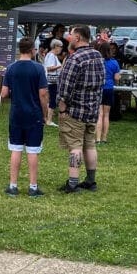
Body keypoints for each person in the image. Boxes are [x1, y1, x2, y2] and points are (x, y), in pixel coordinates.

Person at [55, 24, 105, 193]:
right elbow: (101, 83)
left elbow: (65, 88)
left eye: (70, 35)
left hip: (75, 111)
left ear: (77, 38)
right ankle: (91, 181)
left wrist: (62, 109)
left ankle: (72, 183)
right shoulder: (98, 55)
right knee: (90, 145)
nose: (68, 37)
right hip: (92, 110)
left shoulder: (74, 58)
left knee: (75, 147)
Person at [2, 37, 49, 197]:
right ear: (32, 50)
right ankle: (33, 187)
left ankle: (13, 185)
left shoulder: (11, 68)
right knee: (33, 150)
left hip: (16, 114)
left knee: (15, 149)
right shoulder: (38, 69)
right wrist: (45, 113)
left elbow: (4, 93)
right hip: (34, 113)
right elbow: (43, 94)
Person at [96, 42, 121, 144]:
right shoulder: (114, 62)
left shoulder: (97, 62)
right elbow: (116, 78)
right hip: (109, 88)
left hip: (98, 88)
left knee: (99, 114)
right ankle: (104, 138)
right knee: (106, 115)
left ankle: (97, 138)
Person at [43, 38, 63, 127]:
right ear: (55, 46)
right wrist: (60, 66)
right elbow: (48, 67)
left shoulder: (51, 55)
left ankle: (47, 119)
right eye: (60, 47)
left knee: (49, 100)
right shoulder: (51, 55)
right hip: (52, 81)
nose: (61, 49)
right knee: (52, 101)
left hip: (51, 81)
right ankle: (49, 120)